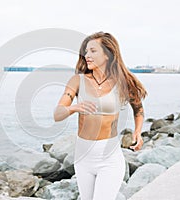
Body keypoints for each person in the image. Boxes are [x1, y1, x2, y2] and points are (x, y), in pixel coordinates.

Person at [53, 32, 147, 200]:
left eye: (93, 51)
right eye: (86, 52)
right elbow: (57, 114)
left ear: (107, 54)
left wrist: (137, 132)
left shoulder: (123, 82)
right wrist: (74, 107)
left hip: (109, 158)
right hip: (83, 158)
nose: (87, 55)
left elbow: (138, 109)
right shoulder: (77, 81)